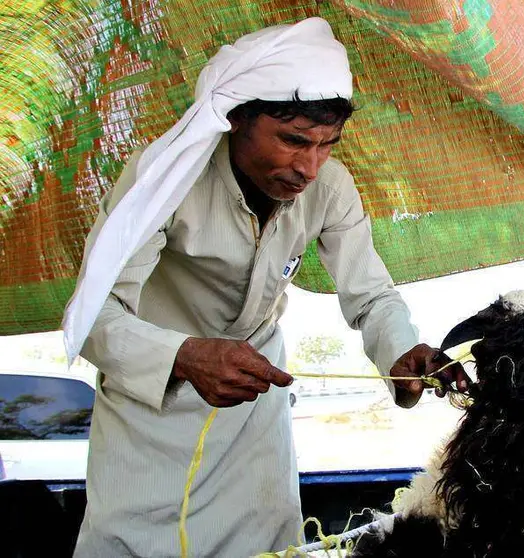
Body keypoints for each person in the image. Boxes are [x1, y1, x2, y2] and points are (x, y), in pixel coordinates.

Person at [65, 18, 469, 557]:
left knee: (264, 545)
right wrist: (185, 356)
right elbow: (96, 318)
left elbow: (371, 296)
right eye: (293, 140)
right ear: (235, 118)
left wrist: (402, 352)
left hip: (253, 408)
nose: (308, 167)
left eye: (327, 145)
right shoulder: (162, 178)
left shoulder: (330, 188)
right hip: (149, 410)